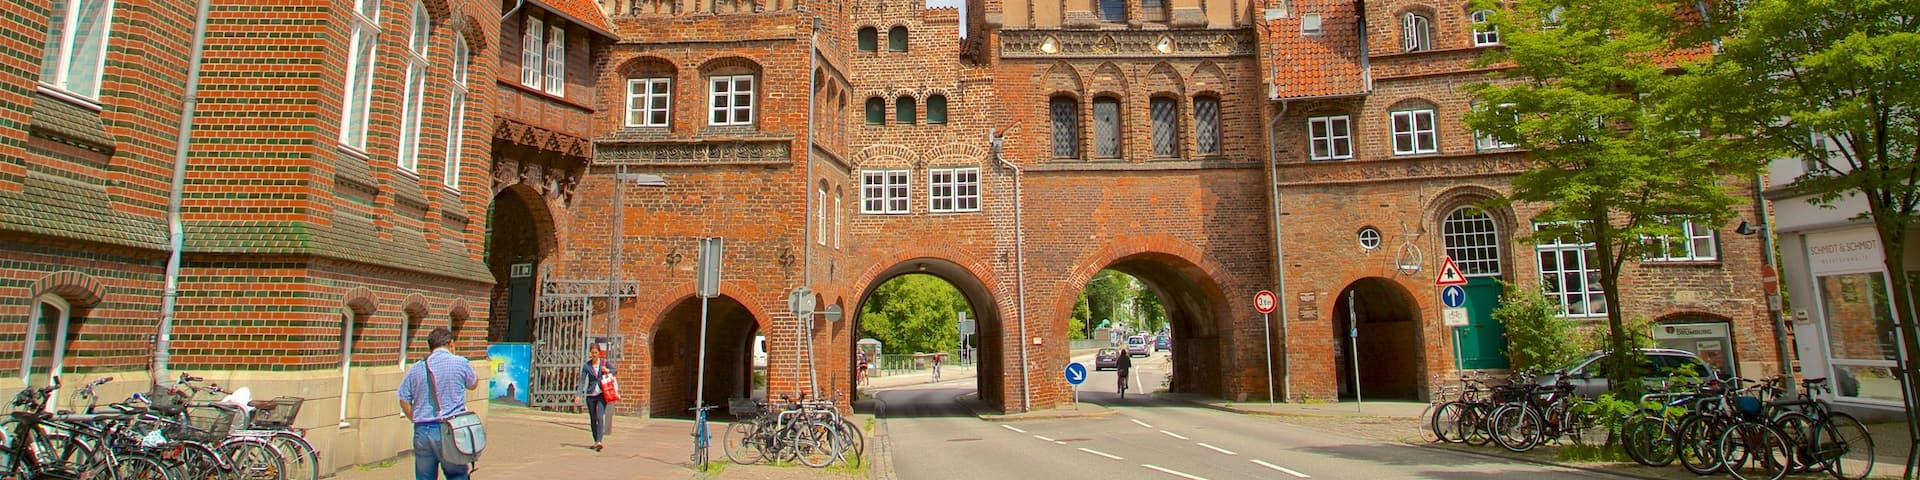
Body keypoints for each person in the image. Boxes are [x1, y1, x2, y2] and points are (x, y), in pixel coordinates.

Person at [397, 327, 478, 480]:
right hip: (451, 429)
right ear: (451, 344)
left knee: (424, 477)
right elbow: (473, 384)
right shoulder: (460, 363)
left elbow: (403, 398)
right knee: (456, 474)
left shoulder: (416, 368)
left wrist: (415, 418)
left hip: (423, 430)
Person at [575, 342, 613, 452]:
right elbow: (582, 381)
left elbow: (615, 370)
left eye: (596, 353)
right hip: (591, 395)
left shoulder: (604, 363)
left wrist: (608, 370)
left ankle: (599, 441)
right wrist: (578, 395)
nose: (594, 355)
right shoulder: (587, 366)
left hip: (602, 394)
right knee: (593, 418)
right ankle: (596, 440)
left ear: (599, 353)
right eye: (592, 353)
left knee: (600, 417)